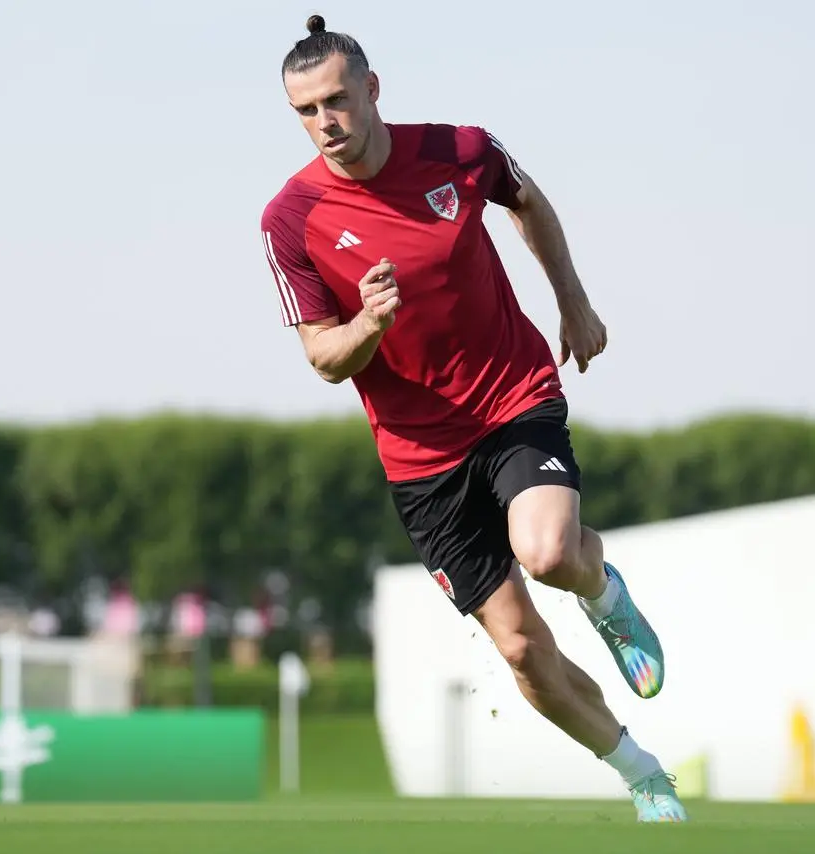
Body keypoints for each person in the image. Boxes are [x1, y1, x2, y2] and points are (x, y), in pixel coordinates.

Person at [259, 14, 686, 823]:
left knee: (550, 552)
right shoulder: (291, 219)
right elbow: (321, 356)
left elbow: (527, 201)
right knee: (523, 650)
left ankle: (603, 594)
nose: (326, 123)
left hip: (511, 396)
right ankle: (642, 773)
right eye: (306, 111)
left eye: (336, 101)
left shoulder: (460, 149)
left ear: (371, 89)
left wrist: (574, 302)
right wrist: (368, 327)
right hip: (420, 459)